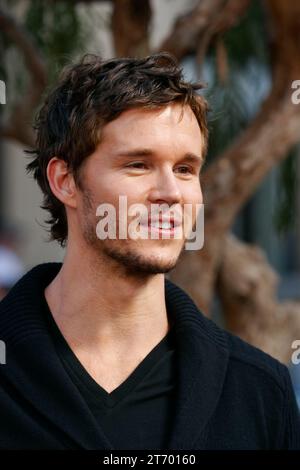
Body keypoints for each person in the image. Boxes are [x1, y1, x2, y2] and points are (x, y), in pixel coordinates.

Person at [0, 52, 299, 450]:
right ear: (65, 180)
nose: (171, 194)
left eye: (185, 169)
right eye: (138, 164)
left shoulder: (257, 392)